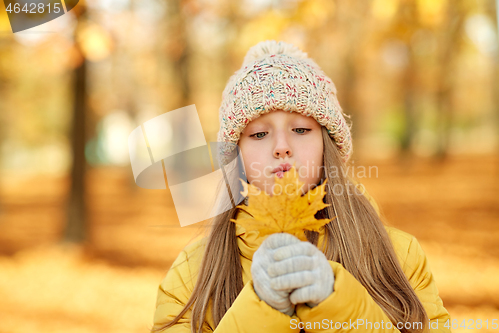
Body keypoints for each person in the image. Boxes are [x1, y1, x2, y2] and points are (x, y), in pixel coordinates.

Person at [150, 40, 451, 333]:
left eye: (301, 129)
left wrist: (338, 306)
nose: (282, 147)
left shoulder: (398, 256)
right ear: (237, 155)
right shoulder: (194, 272)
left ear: (326, 145)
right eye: (258, 134)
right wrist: (262, 312)